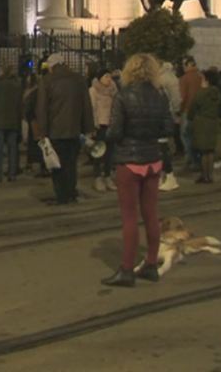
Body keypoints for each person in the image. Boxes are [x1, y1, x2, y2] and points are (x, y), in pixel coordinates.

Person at [101, 54, 173, 288]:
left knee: (129, 217)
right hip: (153, 160)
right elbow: (168, 127)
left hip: (129, 161)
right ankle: (151, 264)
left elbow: (113, 132)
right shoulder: (160, 95)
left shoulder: (124, 96)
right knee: (151, 214)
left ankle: (127, 269)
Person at [36, 53, 95, 205]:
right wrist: (88, 126)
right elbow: (86, 105)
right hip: (75, 130)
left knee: (57, 164)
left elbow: (42, 108)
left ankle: (62, 194)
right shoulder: (78, 79)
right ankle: (71, 191)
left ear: (51, 66)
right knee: (71, 163)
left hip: (55, 131)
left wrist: (42, 132)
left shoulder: (47, 81)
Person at [0, 65, 23, 183]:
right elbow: (20, 105)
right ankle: (12, 174)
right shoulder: (17, 86)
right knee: (12, 149)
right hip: (13, 122)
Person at [188, 69, 221, 184]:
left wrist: (190, 118)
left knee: (203, 151)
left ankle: (204, 175)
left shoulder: (202, 93)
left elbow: (193, 108)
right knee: (210, 150)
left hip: (202, 122)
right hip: (213, 121)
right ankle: (210, 175)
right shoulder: (217, 93)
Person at [89, 68, 118, 193]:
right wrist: (94, 125)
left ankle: (107, 176)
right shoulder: (93, 90)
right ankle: (97, 177)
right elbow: (92, 108)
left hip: (110, 124)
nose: (108, 79)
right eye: (106, 76)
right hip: (99, 125)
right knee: (98, 153)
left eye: (110, 76)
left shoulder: (113, 90)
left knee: (109, 153)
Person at [158, 60, 181, 192]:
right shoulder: (171, 78)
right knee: (161, 150)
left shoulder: (162, 86)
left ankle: (169, 176)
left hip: (161, 123)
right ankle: (163, 176)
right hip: (164, 121)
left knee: (162, 150)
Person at [179, 57, 203, 169]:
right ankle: (197, 159)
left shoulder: (184, 79)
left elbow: (182, 96)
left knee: (186, 135)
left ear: (188, 65)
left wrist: (179, 111)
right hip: (200, 111)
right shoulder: (201, 77)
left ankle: (192, 159)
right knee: (196, 136)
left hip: (187, 110)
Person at [23, 73, 47, 177]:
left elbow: (29, 109)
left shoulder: (33, 93)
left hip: (35, 121)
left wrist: (29, 118)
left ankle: (37, 165)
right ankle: (44, 166)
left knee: (35, 143)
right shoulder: (46, 92)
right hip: (43, 121)